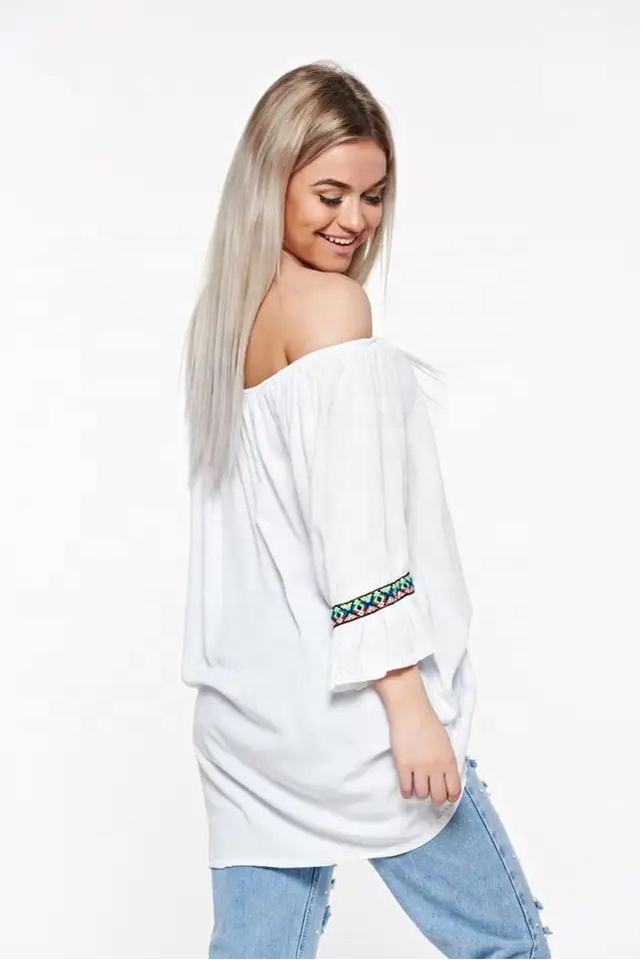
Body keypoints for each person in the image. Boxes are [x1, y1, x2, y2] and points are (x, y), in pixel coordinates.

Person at [180, 60, 553, 959]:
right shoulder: (333, 310)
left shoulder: (227, 322)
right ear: (271, 182)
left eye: (374, 196)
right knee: (505, 948)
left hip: (249, 727)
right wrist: (407, 703)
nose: (355, 220)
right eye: (330, 194)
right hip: (353, 717)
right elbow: (354, 529)